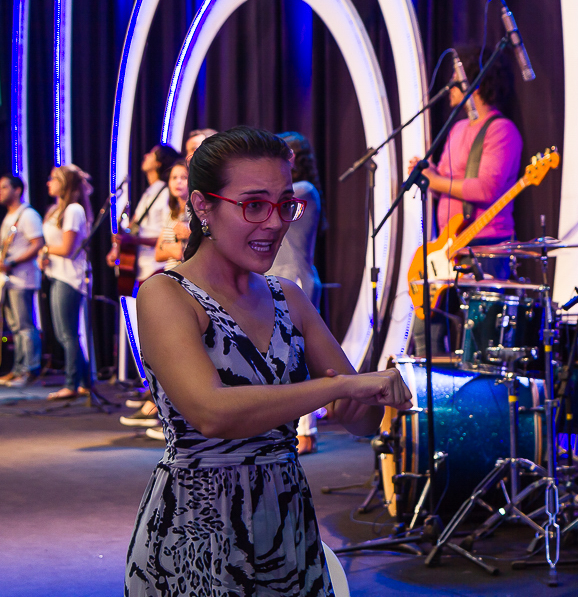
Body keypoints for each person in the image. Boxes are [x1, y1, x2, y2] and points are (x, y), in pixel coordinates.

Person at [124, 126, 412, 595]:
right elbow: (211, 413)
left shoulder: (288, 297)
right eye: (254, 205)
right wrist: (342, 387)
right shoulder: (166, 294)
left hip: (286, 522)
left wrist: (375, 393)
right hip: (198, 527)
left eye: (284, 205)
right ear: (203, 207)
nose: (276, 222)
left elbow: (361, 422)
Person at [407, 46, 523, 354]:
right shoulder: (457, 128)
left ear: (474, 82)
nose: (449, 88)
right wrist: (428, 175)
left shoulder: (502, 130)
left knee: (480, 344)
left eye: (455, 79)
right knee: (424, 336)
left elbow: (486, 189)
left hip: (484, 246)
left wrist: (437, 180)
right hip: (445, 247)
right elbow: (443, 184)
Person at [120, 160, 191, 434]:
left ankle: (181, 417)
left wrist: (178, 246)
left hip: (189, 282)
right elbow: (162, 253)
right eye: (174, 177)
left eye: (183, 177)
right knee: (163, 351)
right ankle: (164, 410)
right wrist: (177, 246)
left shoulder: (198, 211)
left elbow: (193, 252)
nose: (177, 182)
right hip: (170, 279)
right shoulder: (172, 214)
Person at [267, 131, 325, 455]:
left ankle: (308, 430)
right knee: (279, 357)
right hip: (277, 278)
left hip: (296, 281)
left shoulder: (303, 191)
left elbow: (274, 207)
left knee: (298, 356)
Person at [40, 164, 93, 401]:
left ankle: (72, 383)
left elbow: (68, 248)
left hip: (69, 277)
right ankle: (84, 382)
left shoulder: (73, 210)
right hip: (57, 275)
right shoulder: (55, 210)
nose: (48, 183)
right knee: (66, 334)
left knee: (67, 334)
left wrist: (45, 249)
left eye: (53, 178)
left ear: (65, 183)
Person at [0, 175, 45, 387]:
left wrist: (12, 261)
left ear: (17, 190)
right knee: (15, 327)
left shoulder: (28, 215)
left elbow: (37, 244)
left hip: (23, 279)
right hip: (9, 280)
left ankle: (30, 370)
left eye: (4, 187)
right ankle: (17, 369)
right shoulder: (9, 216)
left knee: (24, 326)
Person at [107, 144, 179, 287]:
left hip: (157, 265)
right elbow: (134, 225)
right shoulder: (149, 193)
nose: (145, 156)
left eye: (151, 154)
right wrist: (117, 245)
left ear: (158, 163)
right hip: (141, 265)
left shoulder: (166, 194)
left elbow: (167, 235)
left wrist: (134, 240)